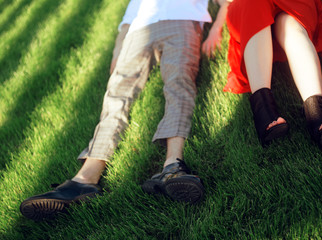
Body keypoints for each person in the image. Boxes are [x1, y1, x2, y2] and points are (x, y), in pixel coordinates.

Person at [20, 0, 224, 221]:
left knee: (179, 85)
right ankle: (85, 179)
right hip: (139, 29)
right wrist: (119, 46)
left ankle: (173, 166)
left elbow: (226, 2)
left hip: (182, 20)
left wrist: (216, 29)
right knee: (116, 95)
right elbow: (131, 12)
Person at [223, 0, 322, 147]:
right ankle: (263, 109)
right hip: (249, 10)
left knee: (290, 24)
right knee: (252, 4)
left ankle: (317, 110)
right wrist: (216, 25)